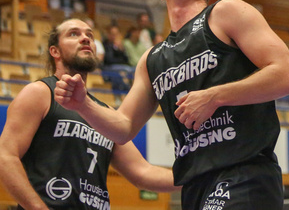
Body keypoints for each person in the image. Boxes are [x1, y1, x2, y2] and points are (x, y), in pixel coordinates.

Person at [55, 0, 289, 210]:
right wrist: (83, 104)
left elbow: (287, 75)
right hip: (195, 185)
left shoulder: (226, 12)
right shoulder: (152, 58)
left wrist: (214, 96)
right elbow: (123, 127)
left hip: (244, 173)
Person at [0, 18, 178, 210]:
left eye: (89, 35)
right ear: (55, 51)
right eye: (74, 34)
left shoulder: (106, 114)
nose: (85, 38)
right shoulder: (40, 93)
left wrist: (195, 174)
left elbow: (143, 173)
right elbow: (5, 156)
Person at [102, 23, 133, 94]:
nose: (114, 36)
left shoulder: (119, 46)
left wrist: (120, 50)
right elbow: (109, 60)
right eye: (113, 34)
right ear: (109, 35)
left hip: (120, 67)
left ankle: (129, 92)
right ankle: (125, 92)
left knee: (132, 70)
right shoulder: (106, 44)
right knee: (124, 71)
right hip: (108, 67)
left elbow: (126, 60)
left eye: (116, 34)